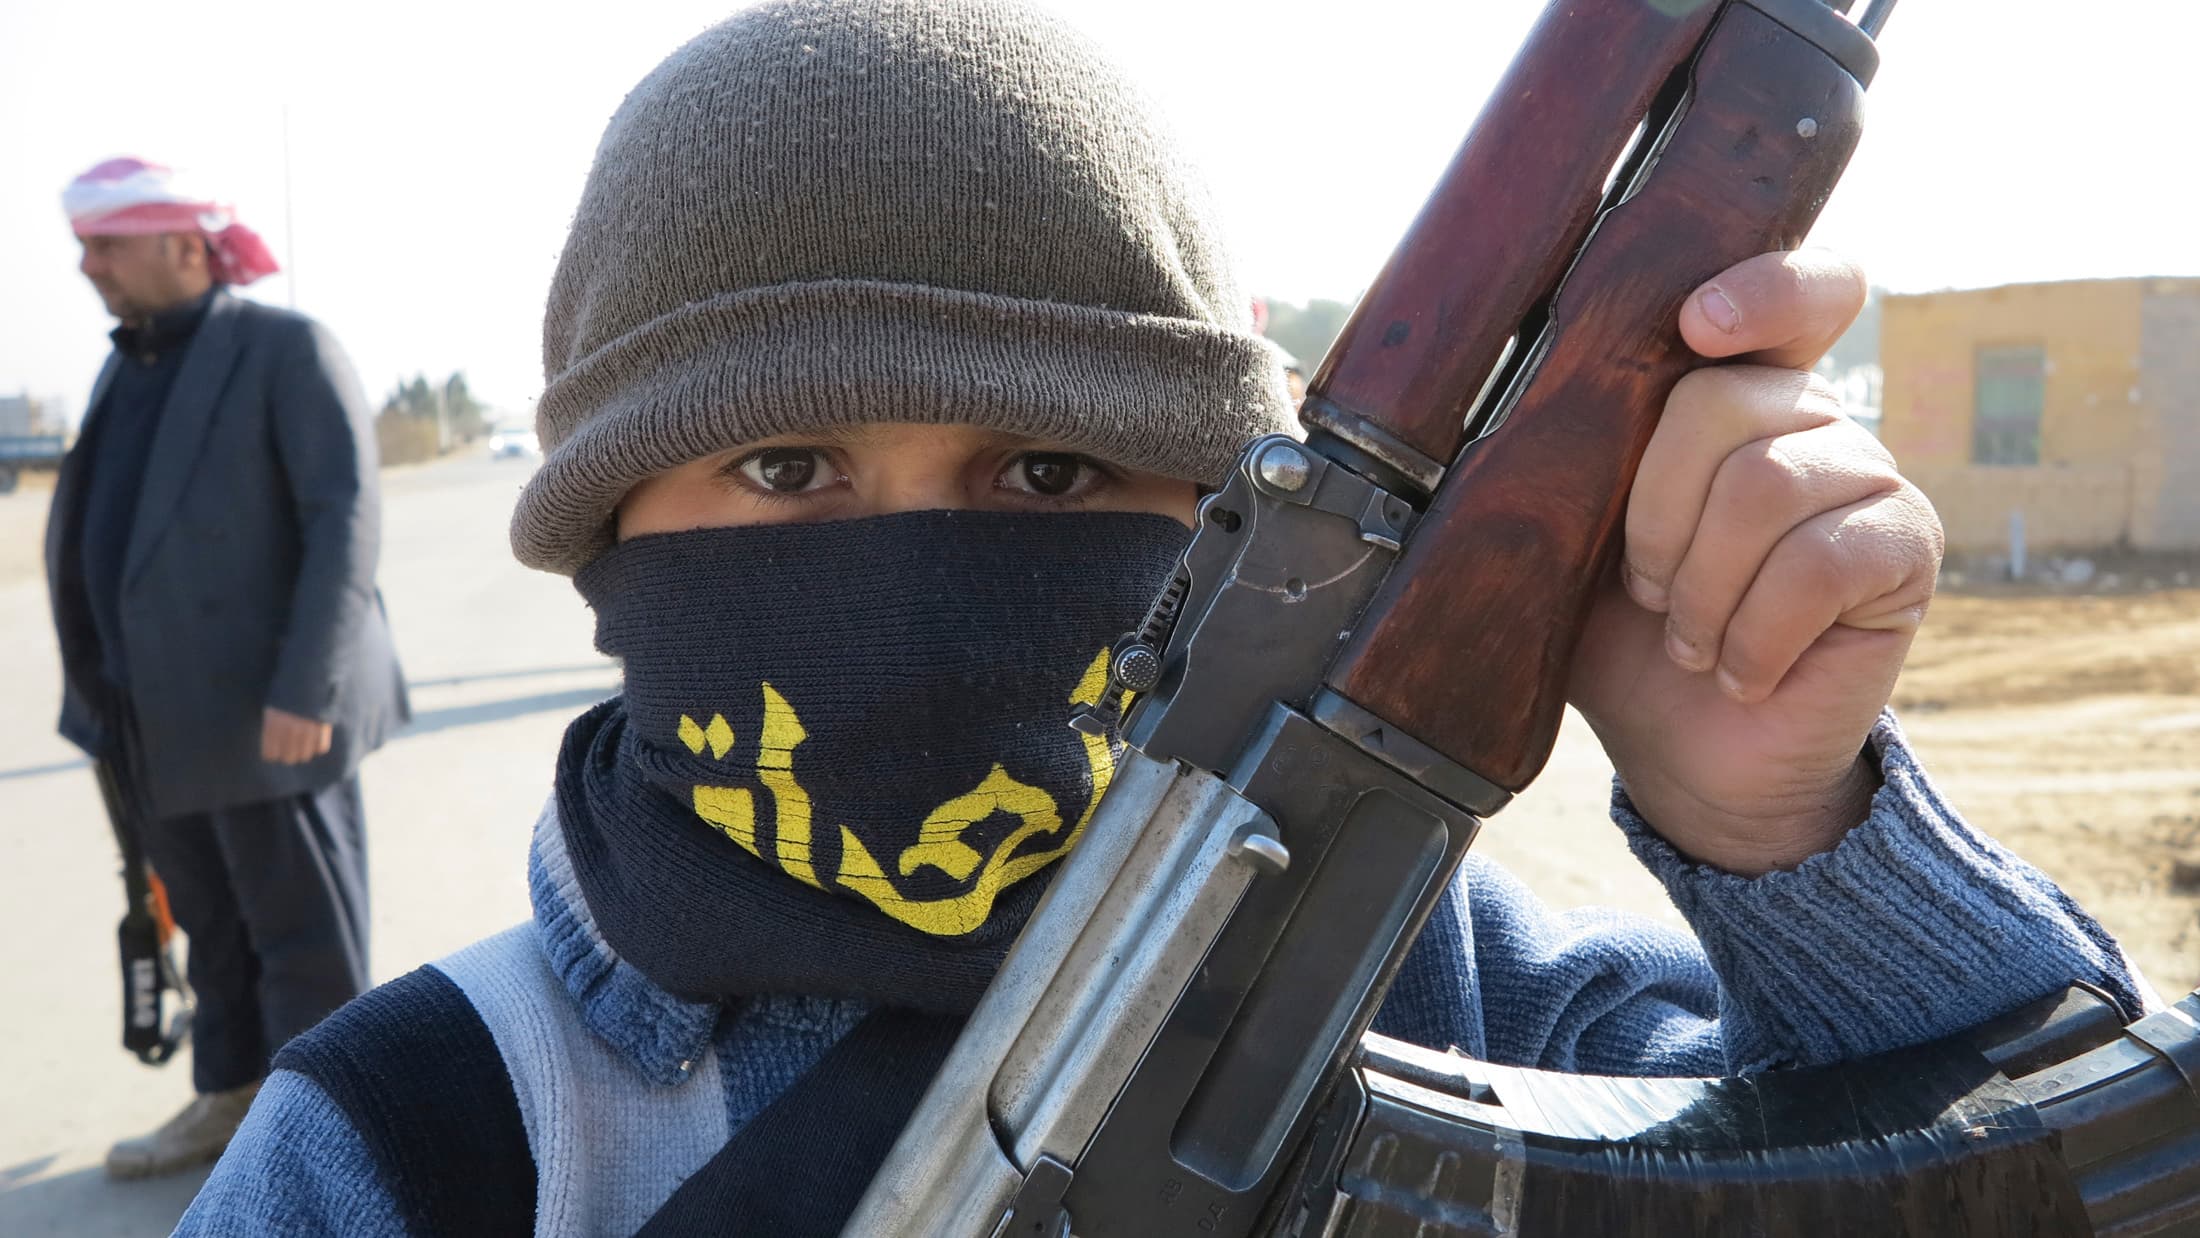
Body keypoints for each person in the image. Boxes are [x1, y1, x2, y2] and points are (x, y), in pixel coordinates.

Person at [178, 2, 2144, 1233]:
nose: (918, 564)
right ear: (607, 531)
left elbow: (2060, 1182)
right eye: (785, 468)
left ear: (1220, 519)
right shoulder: (414, 1140)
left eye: (1049, 471)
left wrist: (1781, 825)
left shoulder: (1453, 991)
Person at [48, 157, 409, 1179]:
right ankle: (233, 1102)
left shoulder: (284, 348)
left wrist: (307, 686)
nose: (87, 266)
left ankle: (329, 1144)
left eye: (103, 245)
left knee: (304, 940)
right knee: (211, 929)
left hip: (268, 715)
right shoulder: (128, 366)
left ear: (181, 244)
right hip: (155, 723)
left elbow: (344, 518)